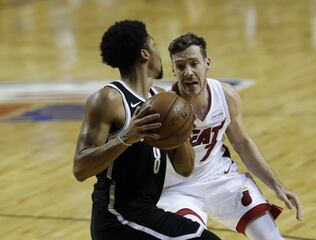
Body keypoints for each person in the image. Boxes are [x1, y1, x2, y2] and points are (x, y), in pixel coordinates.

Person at [73, 21, 221, 240]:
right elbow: (80, 168)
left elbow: (185, 168)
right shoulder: (109, 99)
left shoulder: (162, 99)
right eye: (154, 46)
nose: (158, 54)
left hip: (146, 211)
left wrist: (180, 135)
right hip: (118, 218)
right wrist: (127, 137)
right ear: (144, 53)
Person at [157, 33, 304, 240]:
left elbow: (242, 144)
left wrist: (278, 187)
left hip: (220, 179)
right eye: (180, 66)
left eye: (194, 64)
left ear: (207, 63)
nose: (188, 72)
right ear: (173, 69)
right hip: (177, 189)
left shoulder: (225, 95)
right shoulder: (164, 106)